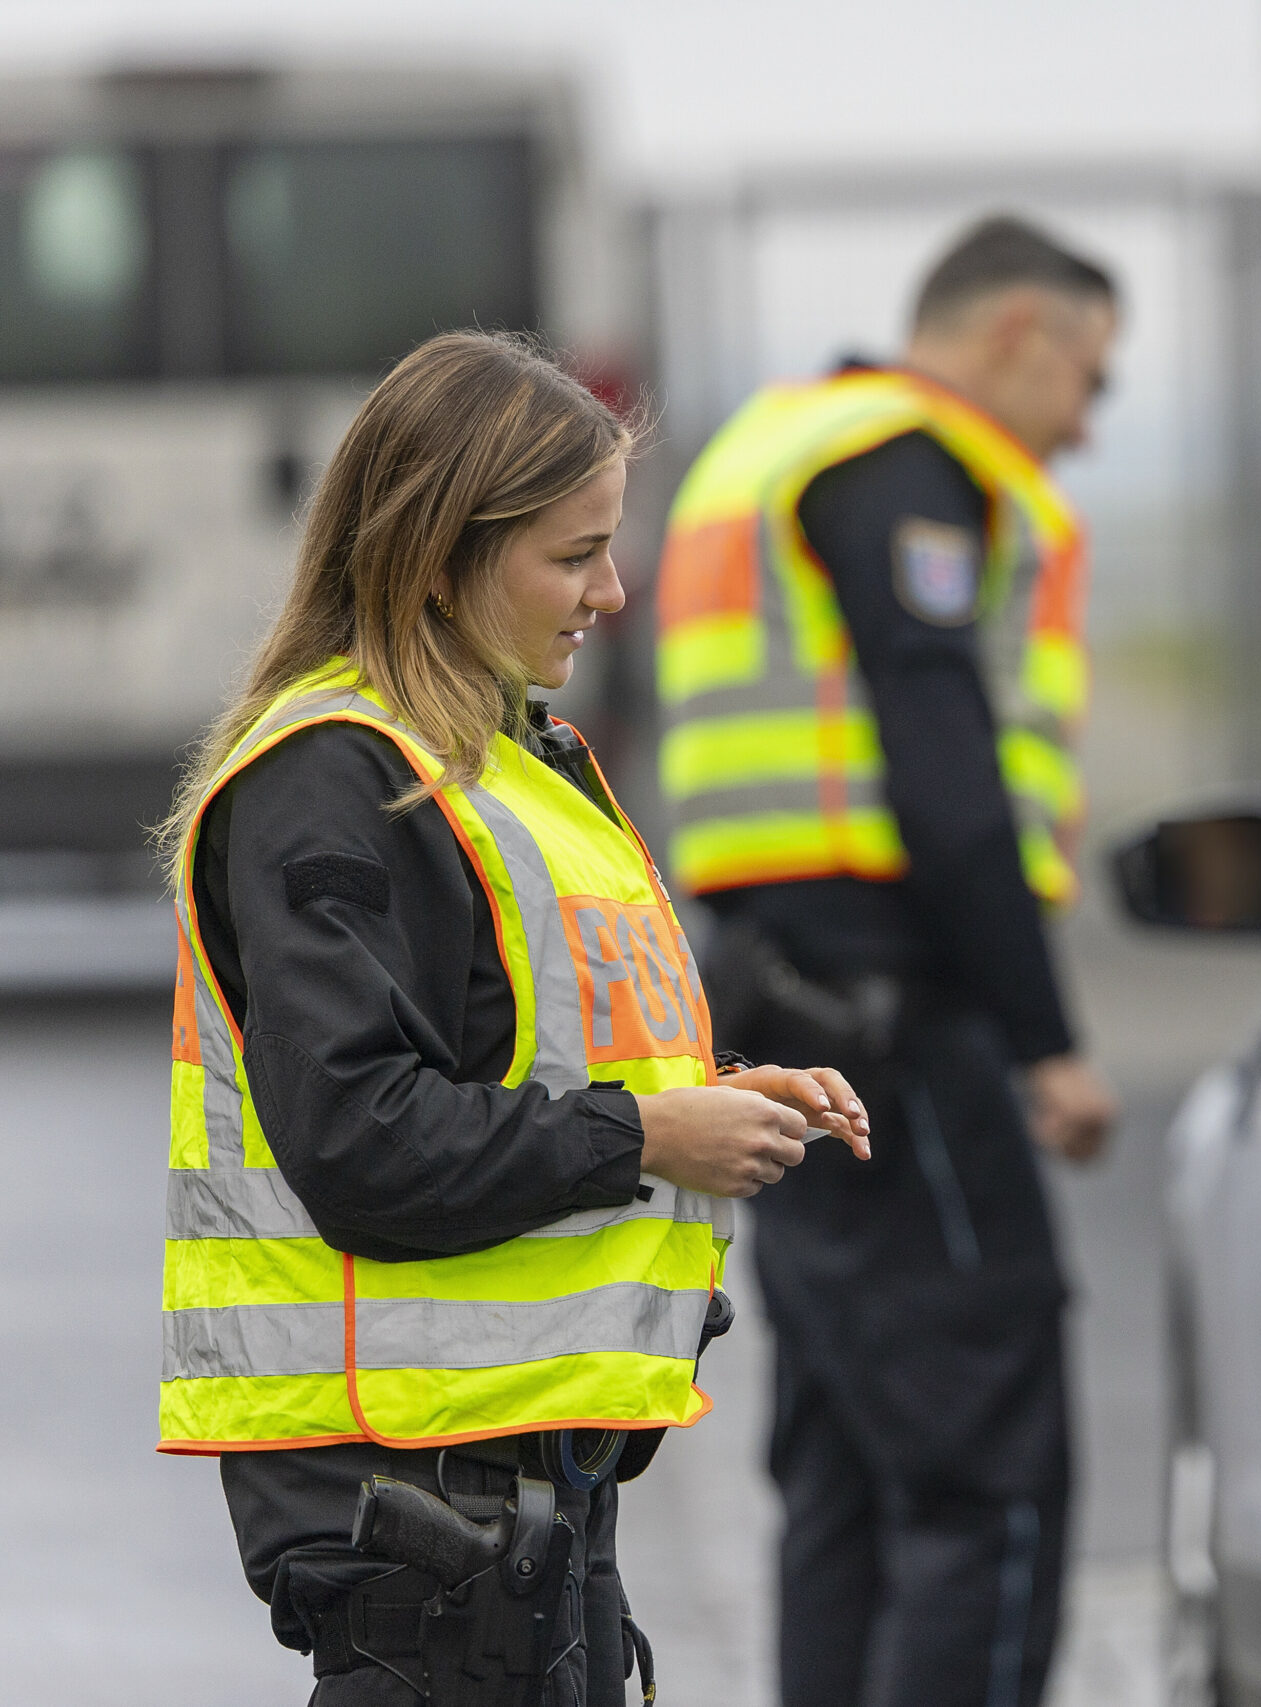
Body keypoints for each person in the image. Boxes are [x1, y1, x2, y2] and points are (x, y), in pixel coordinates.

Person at [156, 329, 870, 1705]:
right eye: (572, 553)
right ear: (437, 553)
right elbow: (359, 1141)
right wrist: (654, 1134)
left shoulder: (509, 764)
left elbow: (522, 1056)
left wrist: (719, 1098)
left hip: (514, 1507)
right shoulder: (335, 782)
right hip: (411, 1511)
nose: (612, 591)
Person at [655, 214, 1121, 1707]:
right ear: (1013, 337)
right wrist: (1046, 1039)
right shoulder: (913, 471)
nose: (1090, 422)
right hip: (894, 1015)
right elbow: (949, 780)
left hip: (785, 996)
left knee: (853, 1468)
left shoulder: (778, 449)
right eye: (1089, 380)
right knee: (991, 1471)